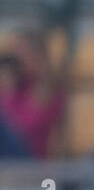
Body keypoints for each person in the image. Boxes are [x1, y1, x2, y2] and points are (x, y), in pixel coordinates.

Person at [0, 30, 64, 159]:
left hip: (28, 159)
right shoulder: (14, 86)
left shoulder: (46, 89)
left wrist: (8, 93)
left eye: (21, 52)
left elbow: (26, 128)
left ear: (38, 56)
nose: (16, 59)